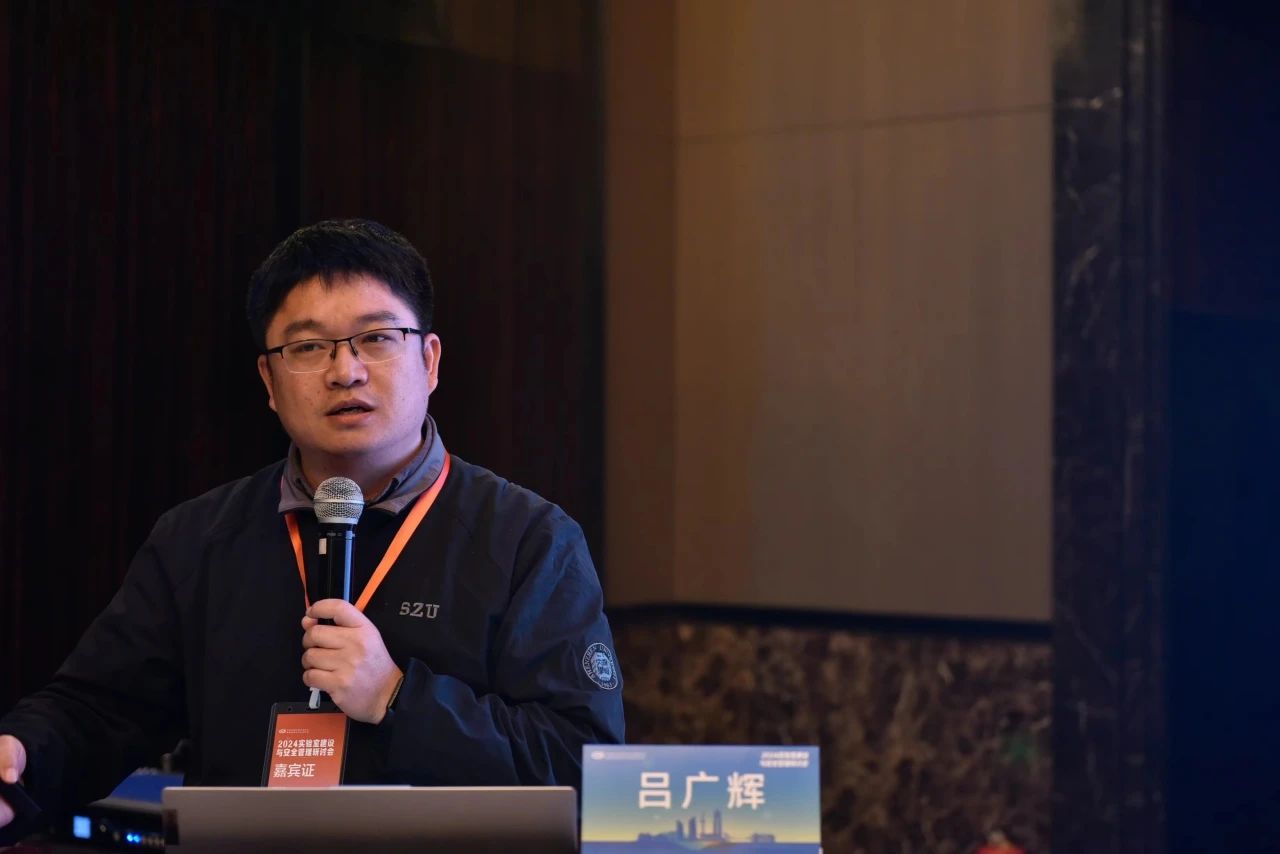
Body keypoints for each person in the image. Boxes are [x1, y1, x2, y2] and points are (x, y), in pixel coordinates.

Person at [0, 219, 624, 838]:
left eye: (376, 338)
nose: (345, 371)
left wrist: (397, 698)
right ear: (269, 382)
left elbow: (582, 768)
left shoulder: (528, 539)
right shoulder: (198, 539)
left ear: (429, 361)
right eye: (307, 347)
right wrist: (21, 758)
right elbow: (99, 711)